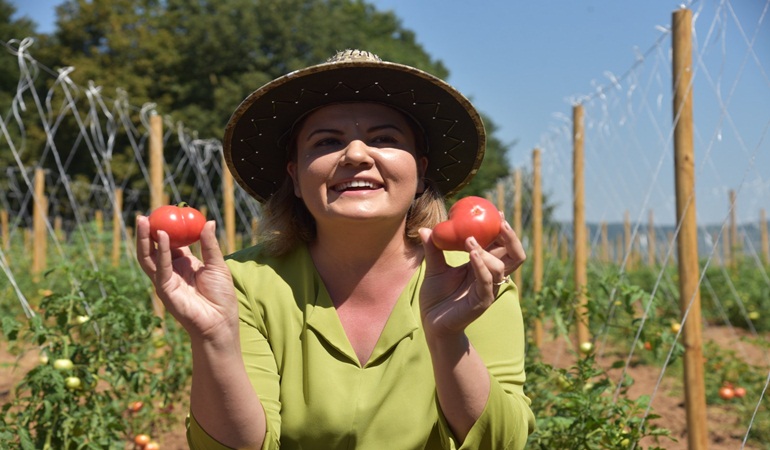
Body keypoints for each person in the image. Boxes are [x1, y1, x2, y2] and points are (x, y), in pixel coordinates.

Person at [136, 49, 535, 450]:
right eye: (327, 142)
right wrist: (214, 339)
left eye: (384, 138)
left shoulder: (473, 281)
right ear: (295, 176)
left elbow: (501, 442)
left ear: (419, 172)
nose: (357, 155)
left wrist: (449, 337)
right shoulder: (244, 285)